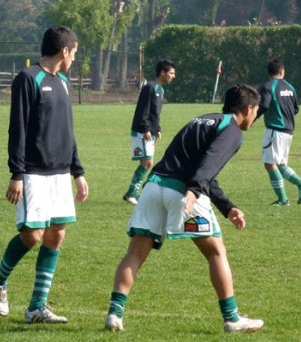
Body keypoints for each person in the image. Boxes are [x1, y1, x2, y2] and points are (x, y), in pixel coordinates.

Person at [105, 84, 264, 334]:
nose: (256, 117)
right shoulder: (232, 130)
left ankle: (114, 313)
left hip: (153, 187)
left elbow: (196, 164)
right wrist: (193, 192)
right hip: (183, 192)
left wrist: (227, 206)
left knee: (135, 253)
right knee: (216, 252)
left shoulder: (202, 119)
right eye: (256, 112)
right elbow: (208, 165)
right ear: (248, 108)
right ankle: (232, 318)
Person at [0, 26, 89, 324]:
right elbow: (17, 127)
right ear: (64, 51)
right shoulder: (28, 78)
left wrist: (78, 172)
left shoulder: (64, 82)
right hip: (32, 172)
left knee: (56, 234)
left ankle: (36, 307)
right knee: (32, 235)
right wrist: (16, 173)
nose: (74, 58)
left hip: (59, 172)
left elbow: (68, 131)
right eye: (74, 52)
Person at [257, 59, 301, 206]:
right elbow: (296, 109)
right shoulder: (290, 87)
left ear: (269, 73)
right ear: (282, 72)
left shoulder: (268, 86)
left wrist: (252, 118)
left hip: (275, 130)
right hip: (288, 131)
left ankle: (283, 199)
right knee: (280, 164)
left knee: (269, 163)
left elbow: (264, 105)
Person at [122, 59, 176, 205]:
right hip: (141, 131)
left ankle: (132, 193)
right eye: (171, 73)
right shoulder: (150, 88)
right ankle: (132, 193)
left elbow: (154, 113)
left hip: (150, 132)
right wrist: (146, 129)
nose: (173, 76)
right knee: (147, 162)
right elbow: (142, 111)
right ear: (162, 72)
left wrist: (157, 129)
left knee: (147, 162)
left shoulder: (160, 90)